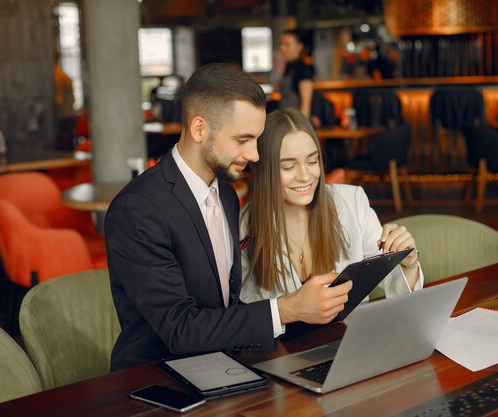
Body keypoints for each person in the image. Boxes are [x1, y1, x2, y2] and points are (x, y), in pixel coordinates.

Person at [105, 63, 353, 371]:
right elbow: (180, 329)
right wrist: (287, 309)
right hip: (154, 378)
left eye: (256, 140)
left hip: (222, 364)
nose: (255, 155)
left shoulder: (226, 194)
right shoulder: (137, 210)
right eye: (243, 140)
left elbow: (226, 307)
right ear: (199, 129)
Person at [240, 108, 423, 305]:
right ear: (265, 170)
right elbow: (247, 308)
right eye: (288, 167)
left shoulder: (352, 202)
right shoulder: (245, 224)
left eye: (312, 161)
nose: (305, 176)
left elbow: (397, 285)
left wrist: (407, 263)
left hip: (352, 333)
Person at [278, 30, 316, 123]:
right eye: (281, 44)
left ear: (299, 46)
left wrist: (302, 128)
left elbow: (305, 103)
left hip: (296, 122)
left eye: (287, 44)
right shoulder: (288, 66)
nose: (282, 48)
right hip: (286, 119)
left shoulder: (303, 69)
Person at [53, 49, 76, 151]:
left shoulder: (58, 75)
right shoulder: (60, 74)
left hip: (64, 116)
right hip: (68, 114)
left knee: (65, 148)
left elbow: (59, 99)